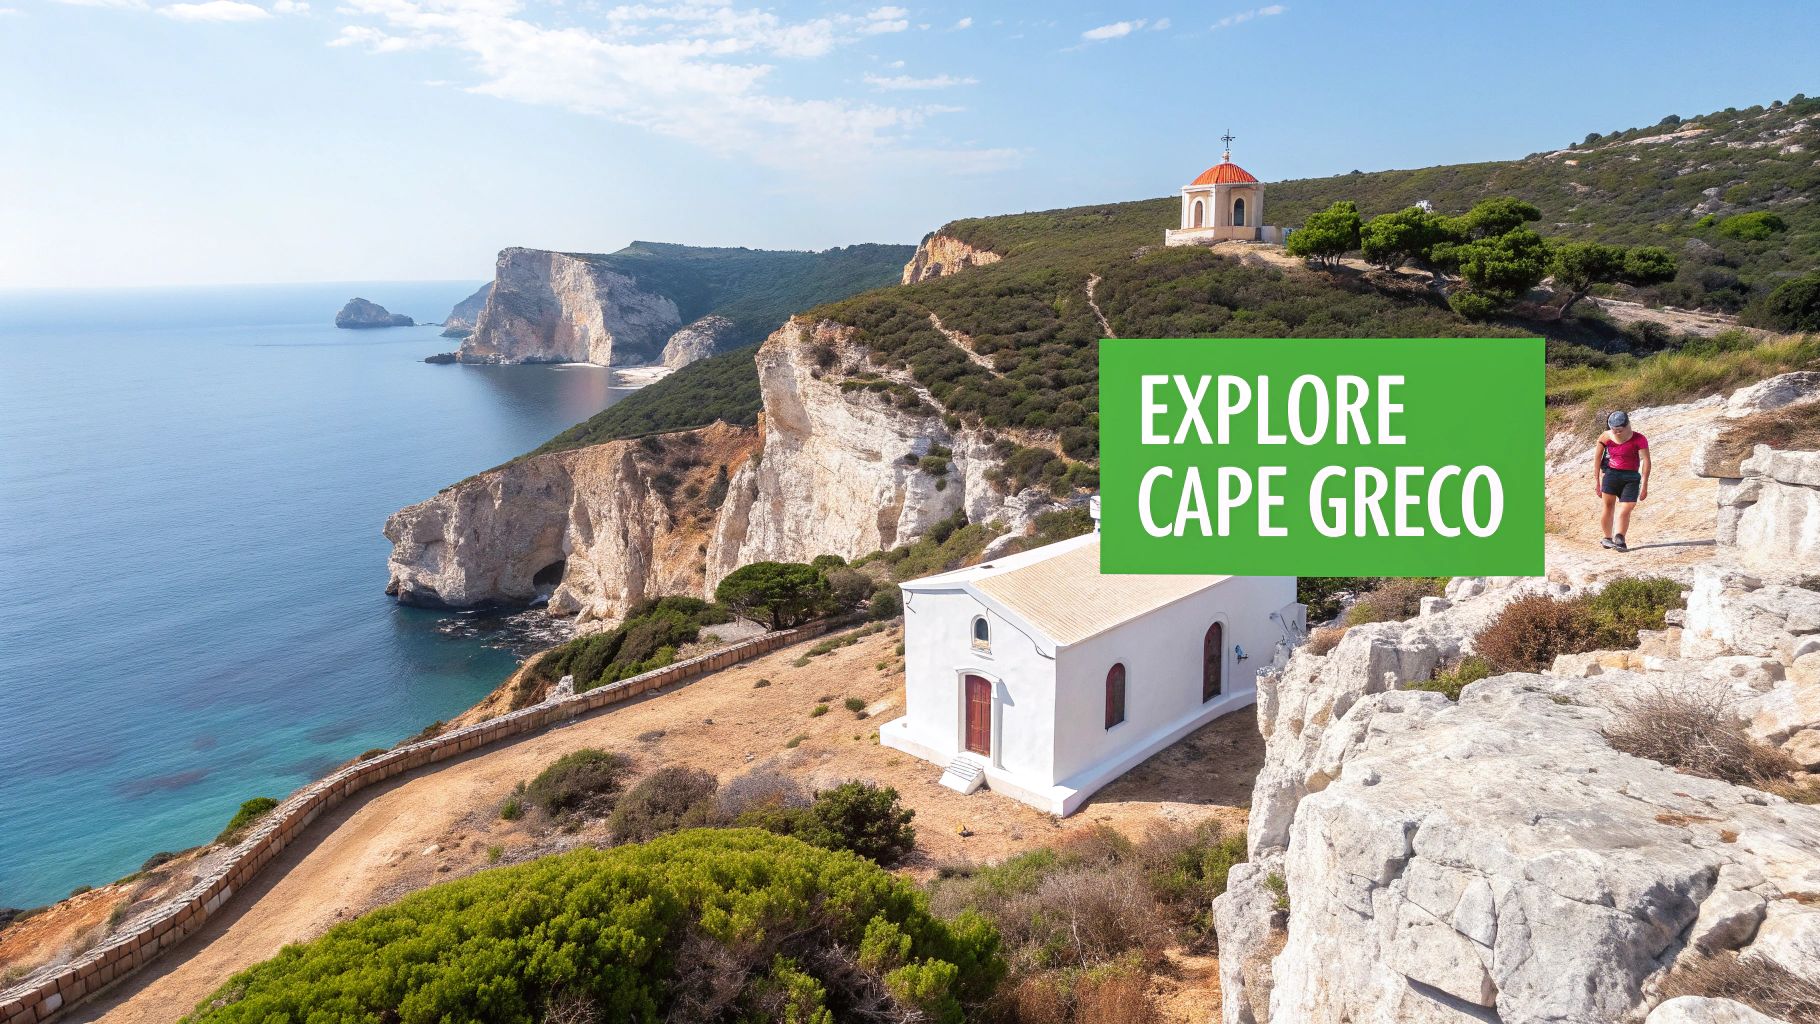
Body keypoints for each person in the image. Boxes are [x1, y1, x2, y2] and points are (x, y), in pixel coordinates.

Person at [1594, 410, 1650, 552]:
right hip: (1611, 474)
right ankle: (1607, 538)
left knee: (1627, 507)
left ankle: (1619, 537)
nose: (1617, 432)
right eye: (1614, 430)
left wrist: (1644, 485)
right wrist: (1597, 481)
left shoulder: (1639, 438)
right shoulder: (1605, 437)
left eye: (1620, 429)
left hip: (1631, 477)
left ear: (1627, 425)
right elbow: (1597, 459)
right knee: (1608, 506)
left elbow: (1646, 461)